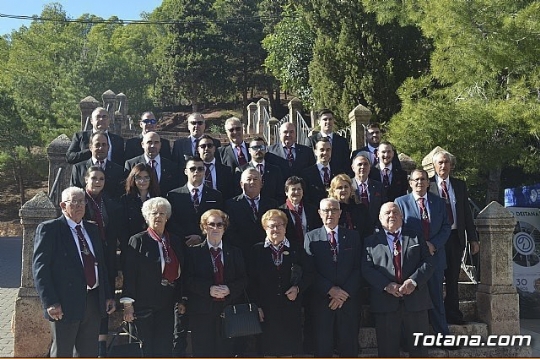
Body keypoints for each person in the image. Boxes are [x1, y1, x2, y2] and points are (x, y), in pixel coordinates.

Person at [33, 187, 116, 357]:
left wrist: (107, 294)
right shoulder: (50, 229)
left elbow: (101, 266)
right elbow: (40, 269)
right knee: (62, 351)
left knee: (88, 352)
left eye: (82, 201)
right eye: (74, 201)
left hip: (92, 301)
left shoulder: (91, 229)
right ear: (63, 205)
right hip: (64, 302)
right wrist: (51, 301)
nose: (79, 205)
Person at [362, 202, 434, 357]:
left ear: (402, 216)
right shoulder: (370, 242)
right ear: (380, 218)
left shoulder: (415, 236)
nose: (391, 215)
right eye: (387, 213)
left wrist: (413, 281)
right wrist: (386, 285)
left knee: (420, 351)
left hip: (416, 302)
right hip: (385, 304)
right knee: (388, 351)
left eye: (395, 212)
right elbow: (366, 269)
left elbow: (429, 262)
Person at [121, 197, 184, 357]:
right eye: (154, 213)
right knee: (145, 349)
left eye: (162, 213)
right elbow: (130, 273)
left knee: (164, 348)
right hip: (144, 304)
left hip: (167, 303)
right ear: (147, 216)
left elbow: (182, 272)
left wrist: (182, 299)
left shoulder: (174, 241)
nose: (158, 216)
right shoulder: (138, 240)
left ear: (167, 217)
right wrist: (128, 304)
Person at [395, 169, 452, 342]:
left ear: (428, 183)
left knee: (436, 298)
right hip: (411, 260)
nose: (419, 182)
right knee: (410, 301)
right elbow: (398, 228)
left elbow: (446, 227)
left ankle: (442, 335)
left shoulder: (440, 202)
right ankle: (409, 340)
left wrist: (433, 244)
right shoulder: (400, 202)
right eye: (416, 180)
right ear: (410, 183)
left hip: (434, 257)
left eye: (423, 179)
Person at [248, 209, 313, 356]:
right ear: (265, 227)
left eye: (280, 225)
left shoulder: (296, 249)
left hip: (290, 309)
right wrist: (256, 305)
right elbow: (251, 281)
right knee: (267, 349)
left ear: (285, 227)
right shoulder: (256, 250)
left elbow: (310, 273)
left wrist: (298, 288)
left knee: (289, 351)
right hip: (265, 310)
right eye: (272, 226)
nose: (276, 229)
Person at [185, 209, 247, 357]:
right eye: (211, 224)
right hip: (202, 312)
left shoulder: (234, 252)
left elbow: (243, 279)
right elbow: (187, 280)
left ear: (224, 228)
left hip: (228, 311)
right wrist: (208, 289)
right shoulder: (193, 253)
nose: (215, 228)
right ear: (204, 227)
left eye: (219, 225)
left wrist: (229, 289)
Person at [304, 198, 361, 357]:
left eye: (334, 210)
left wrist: (344, 293)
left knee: (349, 346)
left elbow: (358, 268)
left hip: (347, 300)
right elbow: (309, 270)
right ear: (320, 213)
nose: (330, 214)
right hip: (323, 301)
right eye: (326, 210)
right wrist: (330, 290)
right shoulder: (311, 237)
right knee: (323, 347)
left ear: (340, 212)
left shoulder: (353, 236)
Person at [430, 150, 480, 325]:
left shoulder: (459, 185)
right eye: (440, 163)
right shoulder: (428, 185)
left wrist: (473, 238)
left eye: (446, 162)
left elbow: (466, 212)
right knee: (436, 278)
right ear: (434, 166)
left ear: (451, 165)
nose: (443, 166)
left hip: (454, 237)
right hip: (436, 239)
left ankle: (453, 314)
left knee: (452, 278)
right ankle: (436, 315)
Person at [82, 166, 122, 356]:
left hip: (106, 259)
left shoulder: (109, 203)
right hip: (85, 259)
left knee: (105, 302)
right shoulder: (79, 201)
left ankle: (101, 350)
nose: (97, 182)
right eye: (94, 178)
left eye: (101, 179)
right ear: (86, 180)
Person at [166, 157, 224, 246]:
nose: (196, 171)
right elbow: (171, 221)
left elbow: (220, 220)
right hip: (182, 244)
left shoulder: (215, 195)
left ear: (204, 171)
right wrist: (186, 237)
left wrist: (201, 236)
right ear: (186, 172)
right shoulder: (173, 195)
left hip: (207, 244)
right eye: (192, 169)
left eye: (200, 169)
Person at [225, 168, 279, 260]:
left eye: (255, 179)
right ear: (241, 184)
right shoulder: (231, 205)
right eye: (249, 179)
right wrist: (247, 249)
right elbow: (230, 232)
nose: (252, 182)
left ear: (261, 184)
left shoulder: (272, 204)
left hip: (268, 253)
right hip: (242, 254)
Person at [120, 163, 161, 260]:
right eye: (138, 177)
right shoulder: (125, 200)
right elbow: (122, 228)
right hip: (132, 248)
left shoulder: (158, 199)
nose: (142, 181)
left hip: (154, 247)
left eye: (146, 177)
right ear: (133, 179)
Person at [70, 131, 125, 198]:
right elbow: (73, 193)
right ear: (90, 147)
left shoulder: (118, 170)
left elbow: (120, 196)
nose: (101, 148)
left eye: (104, 145)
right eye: (97, 145)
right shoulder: (78, 168)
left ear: (108, 147)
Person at [239, 137, 285, 204]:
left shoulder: (275, 170)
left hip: (271, 209)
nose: (259, 150)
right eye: (255, 147)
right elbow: (238, 193)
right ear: (249, 150)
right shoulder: (241, 170)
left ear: (266, 149)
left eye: (261, 147)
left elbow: (280, 194)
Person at [328, 173, 374, 242]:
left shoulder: (361, 208)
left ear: (351, 189)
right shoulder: (331, 211)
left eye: (346, 187)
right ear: (333, 191)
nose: (343, 190)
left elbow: (368, 230)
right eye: (340, 187)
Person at [279, 176, 322, 247]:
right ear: (286, 192)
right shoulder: (281, 211)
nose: (296, 192)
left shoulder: (312, 209)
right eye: (293, 189)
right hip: (290, 250)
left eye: (299, 189)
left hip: (310, 247)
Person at [350, 151, 386, 229]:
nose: (363, 167)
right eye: (359, 164)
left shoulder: (379, 186)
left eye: (365, 164)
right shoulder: (348, 186)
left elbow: (383, 208)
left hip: (375, 230)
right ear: (353, 168)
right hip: (354, 230)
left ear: (370, 167)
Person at [197, 134, 237, 200]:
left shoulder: (226, 170)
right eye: (203, 146)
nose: (206, 148)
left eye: (209, 146)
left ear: (214, 148)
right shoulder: (193, 170)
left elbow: (229, 193)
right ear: (198, 149)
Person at [302, 137, 340, 206]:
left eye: (328, 150)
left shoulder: (338, 172)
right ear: (315, 152)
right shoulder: (306, 174)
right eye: (322, 150)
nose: (325, 153)